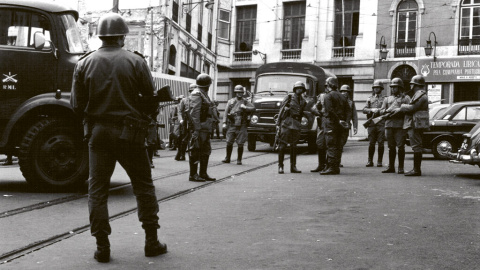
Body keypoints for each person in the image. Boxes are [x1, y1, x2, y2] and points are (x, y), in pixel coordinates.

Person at [70, 13, 166, 263]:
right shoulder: (136, 61)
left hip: (98, 134)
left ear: (100, 36)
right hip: (130, 134)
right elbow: (148, 98)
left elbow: (76, 105)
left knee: (97, 191)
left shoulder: (84, 63)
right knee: (143, 186)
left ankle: (102, 247)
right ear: (123, 36)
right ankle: (151, 242)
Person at [396, 75, 429, 176]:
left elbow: (413, 108)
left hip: (414, 123)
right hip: (415, 122)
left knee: (416, 146)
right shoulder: (420, 94)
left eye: (412, 84)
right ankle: (416, 169)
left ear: (416, 85)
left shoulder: (420, 94)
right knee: (417, 146)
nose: (411, 86)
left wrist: (402, 107)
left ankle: (416, 170)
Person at [187, 73, 216, 182]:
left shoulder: (203, 93)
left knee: (205, 150)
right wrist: (196, 129)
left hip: (205, 127)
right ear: (207, 85)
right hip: (200, 128)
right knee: (195, 150)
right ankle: (193, 174)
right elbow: (195, 112)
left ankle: (203, 173)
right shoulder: (197, 94)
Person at [379, 78, 411, 174]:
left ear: (400, 87)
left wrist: (400, 110)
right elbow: (381, 110)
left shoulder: (406, 98)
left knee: (401, 147)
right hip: (389, 125)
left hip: (400, 125)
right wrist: (386, 111)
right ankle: (391, 167)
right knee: (391, 147)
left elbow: (409, 110)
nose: (393, 89)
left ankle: (400, 167)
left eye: (395, 87)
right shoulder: (387, 99)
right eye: (392, 87)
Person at [276, 81, 308, 174]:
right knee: (282, 146)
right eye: (298, 88)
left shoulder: (303, 101)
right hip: (287, 123)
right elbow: (281, 111)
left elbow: (301, 113)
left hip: (296, 124)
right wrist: (278, 124)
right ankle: (280, 166)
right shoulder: (289, 98)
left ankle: (293, 166)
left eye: (301, 88)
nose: (299, 90)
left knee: (294, 146)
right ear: (295, 89)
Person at [320, 77, 349, 175]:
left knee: (331, 145)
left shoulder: (328, 96)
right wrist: (344, 121)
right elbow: (348, 111)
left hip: (331, 124)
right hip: (341, 126)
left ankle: (332, 167)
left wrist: (337, 120)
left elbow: (329, 111)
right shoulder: (343, 97)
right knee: (338, 146)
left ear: (329, 85)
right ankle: (335, 166)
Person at [222, 85, 255, 165]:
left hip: (242, 124)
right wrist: (224, 123)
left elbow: (253, 108)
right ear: (235, 92)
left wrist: (245, 108)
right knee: (229, 141)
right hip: (232, 124)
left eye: (241, 92)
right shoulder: (231, 101)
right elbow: (226, 113)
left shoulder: (245, 102)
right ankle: (227, 158)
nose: (239, 94)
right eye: (238, 92)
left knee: (240, 143)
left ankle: (239, 159)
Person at [363, 80, 386, 167]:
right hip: (372, 123)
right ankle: (370, 160)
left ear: (381, 88)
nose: (376, 89)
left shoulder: (385, 99)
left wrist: (380, 111)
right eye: (375, 88)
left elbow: (386, 110)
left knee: (381, 143)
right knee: (371, 143)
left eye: (378, 87)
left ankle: (379, 161)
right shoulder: (369, 99)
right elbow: (364, 110)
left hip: (381, 123)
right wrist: (371, 110)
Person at [176, 84, 196, 161]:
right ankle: (182, 154)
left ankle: (194, 155)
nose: (192, 93)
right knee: (184, 139)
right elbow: (180, 112)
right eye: (191, 91)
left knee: (195, 139)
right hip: (186, 122)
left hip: (196, 122)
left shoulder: (200, 100)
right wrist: (181, 120)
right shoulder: (184, 100)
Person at [339, 85, 358, 167]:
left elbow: (354, 115)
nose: (344, 93)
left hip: (346, 125)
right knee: (336, 144)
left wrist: (355, 127)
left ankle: (337, 160)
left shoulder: (351, 103)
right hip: (338, 125)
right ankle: (336, 161)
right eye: (343, 91)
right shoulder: (337, 101)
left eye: (346, 92)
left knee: (342, 142)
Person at [310, 90, 327, 173]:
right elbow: (313, 108)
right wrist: (319, 112)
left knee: (329, 144)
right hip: (322, 123)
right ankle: (321, 165)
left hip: (330, 123)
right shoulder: (322, 96)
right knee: (320, 143)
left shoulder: (335, 96)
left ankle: (328, 165)